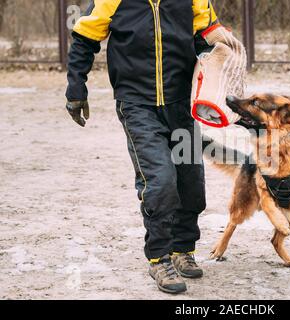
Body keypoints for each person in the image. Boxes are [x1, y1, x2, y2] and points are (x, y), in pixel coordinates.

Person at [65, 0, 219, 294]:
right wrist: (76, 87)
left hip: (181, 105)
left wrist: (222, 60)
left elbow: (209, 35)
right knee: (159, 181)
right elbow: (84, 37)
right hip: (137, 105)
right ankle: (159, 257)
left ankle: (182, 249)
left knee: (190, 179)